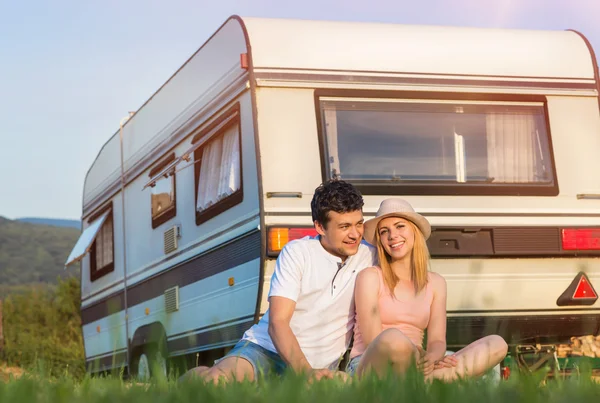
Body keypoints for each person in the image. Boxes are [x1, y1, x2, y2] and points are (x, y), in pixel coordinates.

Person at [181, 180, 376, 383]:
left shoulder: (369, 255)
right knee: (216, 382)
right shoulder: (297, 252)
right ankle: (197, 377)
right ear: (319, 226)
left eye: (359, 223)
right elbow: (278, 322)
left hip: (320, 365)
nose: (355, 234)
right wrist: (305, 373)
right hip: (266, 349)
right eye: (344, 226)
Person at [346, 198, 508, 381]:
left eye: (400, 226)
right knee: (392, 338)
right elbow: (373, 341)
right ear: (381, 241)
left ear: (415, 231)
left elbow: (437, 341)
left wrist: (431, 359)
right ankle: (436, 382)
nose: (392, 236)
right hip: (372, 365)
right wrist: (418, 357)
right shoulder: (370, 277)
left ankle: (426, 382)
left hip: (418, 365)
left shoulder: (436, 283)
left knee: (496, 343)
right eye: (385, 231)